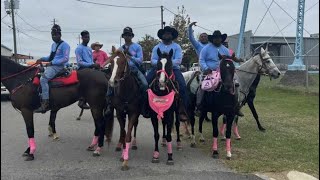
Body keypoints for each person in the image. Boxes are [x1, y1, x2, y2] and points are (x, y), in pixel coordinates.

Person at [146, 26, 188, 121]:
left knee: (183, 86)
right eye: (165, 33)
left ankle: (182, 111)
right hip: (158, 69)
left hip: (173, 69)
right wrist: (161, 64)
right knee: (145, 83)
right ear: (162, 35)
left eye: (169, 33)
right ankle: (146, 108)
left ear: (172, 35)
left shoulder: (177, 47)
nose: (167, 35)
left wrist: (168, 64)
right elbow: (153, 60)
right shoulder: (157, 47)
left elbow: (178, 60)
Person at [105, 27, 149, 117]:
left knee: (145, 84)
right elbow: (115, 59)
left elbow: (140, 60)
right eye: (125, 35)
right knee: (111, 83)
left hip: (134, 70)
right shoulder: (120, 49)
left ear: (131, 36)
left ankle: (144, 106)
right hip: (122, 71)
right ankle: (109, 105)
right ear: (123, 37)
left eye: (129, 35)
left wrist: (130, 56)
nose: (127, 36)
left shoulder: (137, 47)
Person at [198, 30, 243, 116]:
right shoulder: (206, 48)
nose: (217, 39)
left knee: (235, 84)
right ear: (212, 39)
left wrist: (233, 66)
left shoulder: (226, 50)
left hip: (223, 73)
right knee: (202, 86)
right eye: (215, 38)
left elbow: (230, 60)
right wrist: (206, 68)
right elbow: (201, 60)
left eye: (218, 38)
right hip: (209, 72)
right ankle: (199, 105)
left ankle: (235, 106)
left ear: (221, 39)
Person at [34, 24, 71, 113]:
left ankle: (45, 103)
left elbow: (65, 58)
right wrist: (41, 59)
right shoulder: (53, 45)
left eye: (55, 35)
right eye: (52, 35)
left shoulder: (65, 45)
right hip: (52, 65)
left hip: (58, 67)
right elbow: (50, 57)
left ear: (60, 35)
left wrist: (52, 63)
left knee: (43, 79)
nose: (54, 37)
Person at [187, 21, 211, 120]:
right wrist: (190, 27)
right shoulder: (198, 45)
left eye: (205, 36)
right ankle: (198, 107)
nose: (203, 37)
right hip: (204, 70)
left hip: (215, 70)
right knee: (201, 86)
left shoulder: (212, 45)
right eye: (202, 36)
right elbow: (191, 38)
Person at [75, 30, 100, 109]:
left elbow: (91, 60)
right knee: (87, 79)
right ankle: (82, 100)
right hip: (82, 69)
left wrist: (95, 65)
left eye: (88, 37)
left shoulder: (89, 49)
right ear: (82, 38)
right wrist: (91, 64)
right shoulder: (79, 48)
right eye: (85, 37)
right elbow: (79, 62)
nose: (87, 38)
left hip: (90, 68)